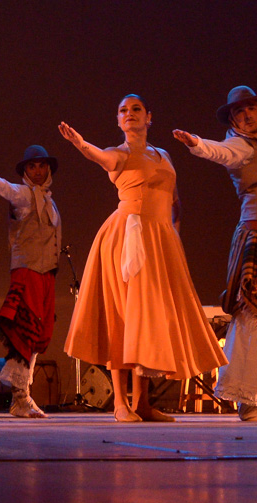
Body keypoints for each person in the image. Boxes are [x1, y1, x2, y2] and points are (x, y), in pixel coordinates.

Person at [64, 94, 224, 423]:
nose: (130, 114)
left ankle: (142, 403)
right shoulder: (120, 153)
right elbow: (100, 157)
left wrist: (173, 237)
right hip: (128, 237)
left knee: (148, 319)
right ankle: (120, 403)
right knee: (124, 315)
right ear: (117, 120)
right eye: (123, 110)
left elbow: (175, 201)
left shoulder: (163, 155)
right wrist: (81, 144)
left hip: (160, 240)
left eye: (136, 109)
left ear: (149, 116)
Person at [173, 85, 257, 423]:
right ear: (232, 119)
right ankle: (249, 401)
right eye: (239, 112)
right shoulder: (241, 145)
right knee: (253, 315)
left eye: (251, 109)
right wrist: (197, 143)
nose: (246, 116)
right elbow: (220, 152)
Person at [0, 144, 64, 418]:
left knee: (37, 333)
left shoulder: (49, 201)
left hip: (46, 273)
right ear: (25, 171)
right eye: (32, 167)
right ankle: (19, 397)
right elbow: (12, 192)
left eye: (41, 166)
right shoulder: (26, 196)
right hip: (28, 271)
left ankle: (23, 396)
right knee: (24, 333)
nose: (37, 171)